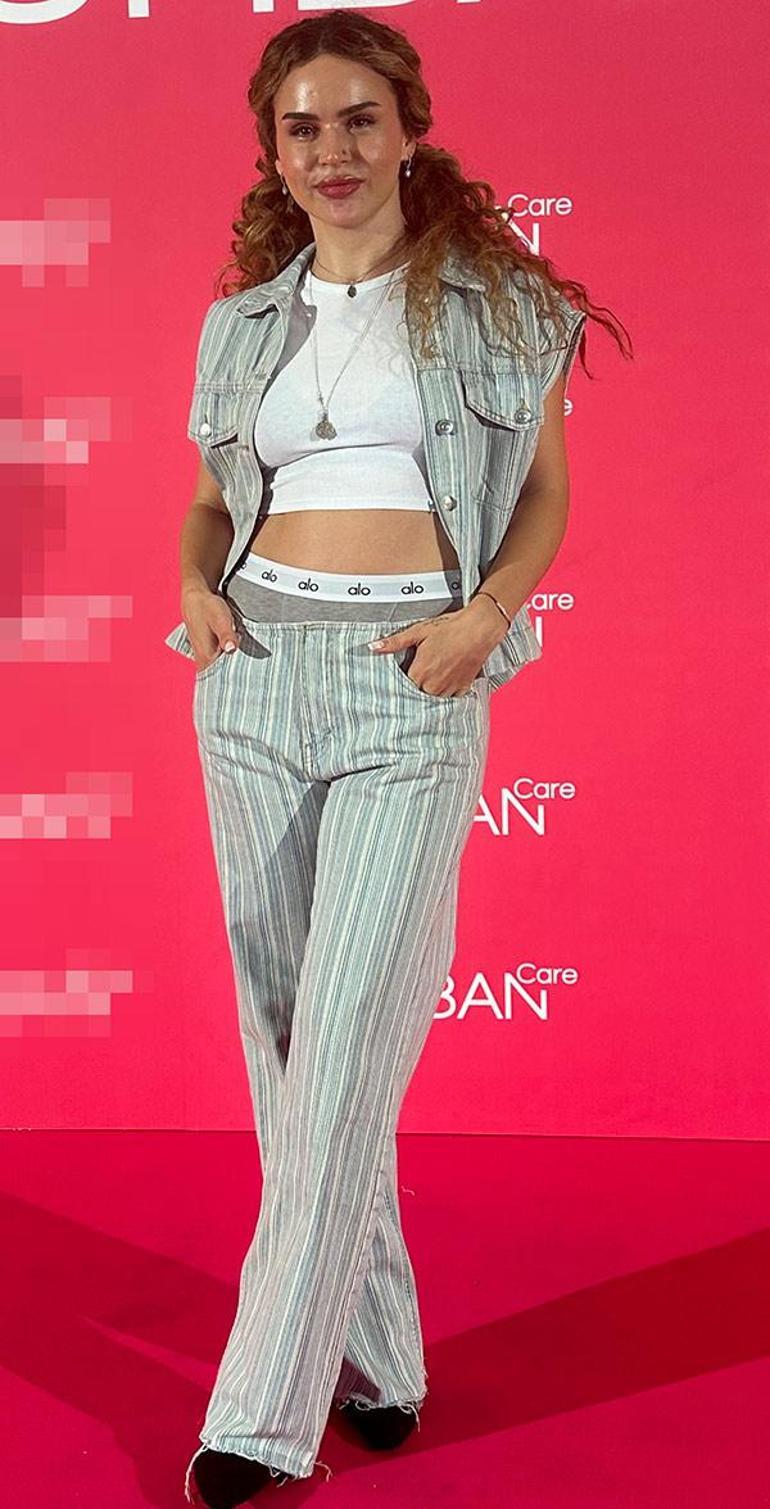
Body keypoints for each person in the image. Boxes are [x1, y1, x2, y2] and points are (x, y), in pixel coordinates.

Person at [167, 11, 629, 1508]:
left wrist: (484, 620)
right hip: (252, 679)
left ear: (409, 129)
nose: (333, 150)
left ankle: (259, 1413)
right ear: (272, 152)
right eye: (302, 128)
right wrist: (193, 589)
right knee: (287, 1048)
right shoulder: (243, 324)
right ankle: (379, 1358)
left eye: (358, 119)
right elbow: (210, 500)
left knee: (349, 1032)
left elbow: (543, 491)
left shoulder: (498, 303)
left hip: (406, 680)